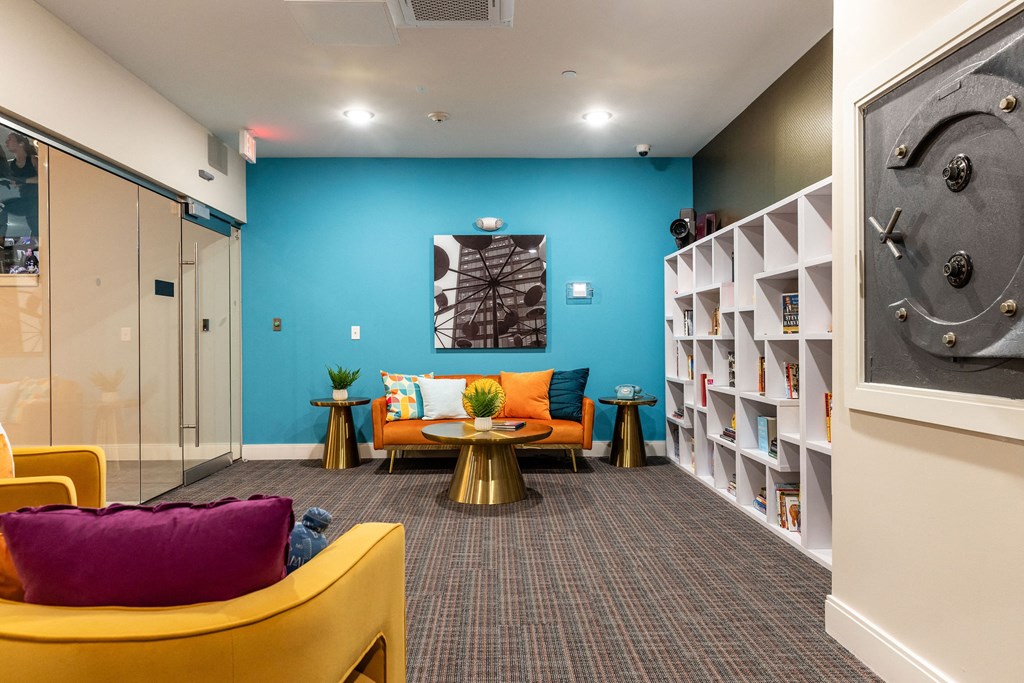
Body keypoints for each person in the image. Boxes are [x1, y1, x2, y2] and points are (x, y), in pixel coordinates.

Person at [4, 132, 38, 238]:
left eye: (10, 139)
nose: (6, 141)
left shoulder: (33, 160)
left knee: (36, 230)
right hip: (24, 203)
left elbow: (43, 179)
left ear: (21, 143)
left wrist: (22, 180)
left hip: (36, 202)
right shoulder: (11, 165)